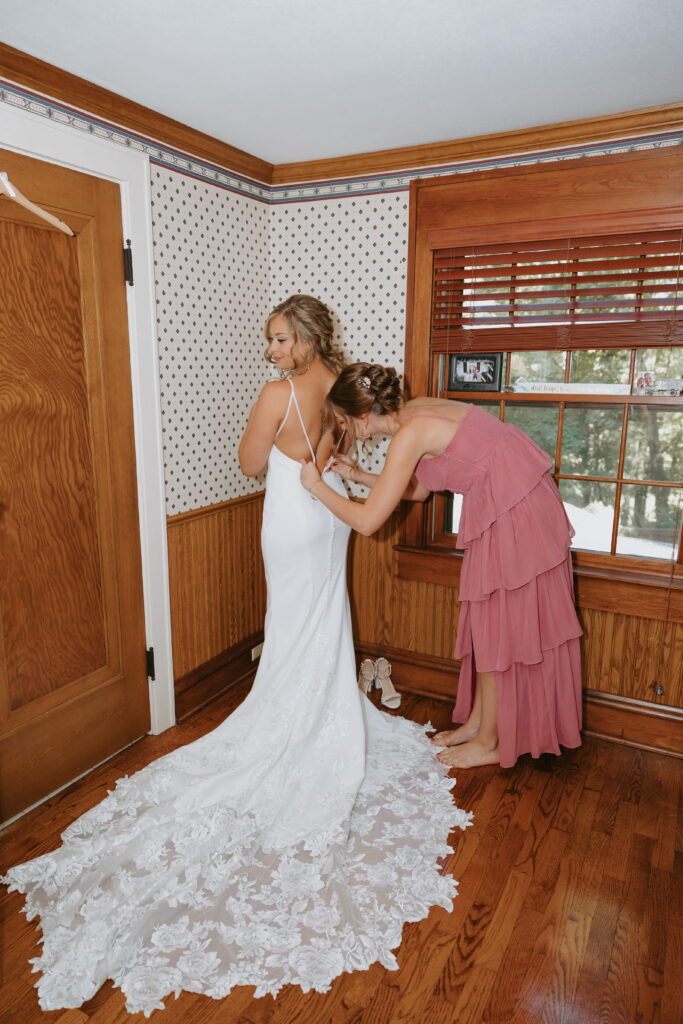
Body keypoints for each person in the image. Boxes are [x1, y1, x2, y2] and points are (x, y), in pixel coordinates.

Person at [2, 300, 471, 1017]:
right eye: (271, 342)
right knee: (322, 619)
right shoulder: (340, 380)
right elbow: (346, 446)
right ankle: (320, 714)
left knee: (294, 622)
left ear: (309, 339)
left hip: (292, 512)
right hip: (331, 511)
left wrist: (265, 434)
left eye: (282, 340)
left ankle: (293, 727)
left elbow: (252, 462)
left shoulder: (276, 394)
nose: (274, 352)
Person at [300, 362, 583, 771]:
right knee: (490, 623)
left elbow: (366, 522)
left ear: (361, 418)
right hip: (514, 495)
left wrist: (314, 487)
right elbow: (418, 491)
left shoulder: (410, 434)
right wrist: (357, 474)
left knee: (497, 626)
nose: (348, 433)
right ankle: (481, 724)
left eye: (343, 422)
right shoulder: (413, 412)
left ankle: (490, 742)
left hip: (513, 507)